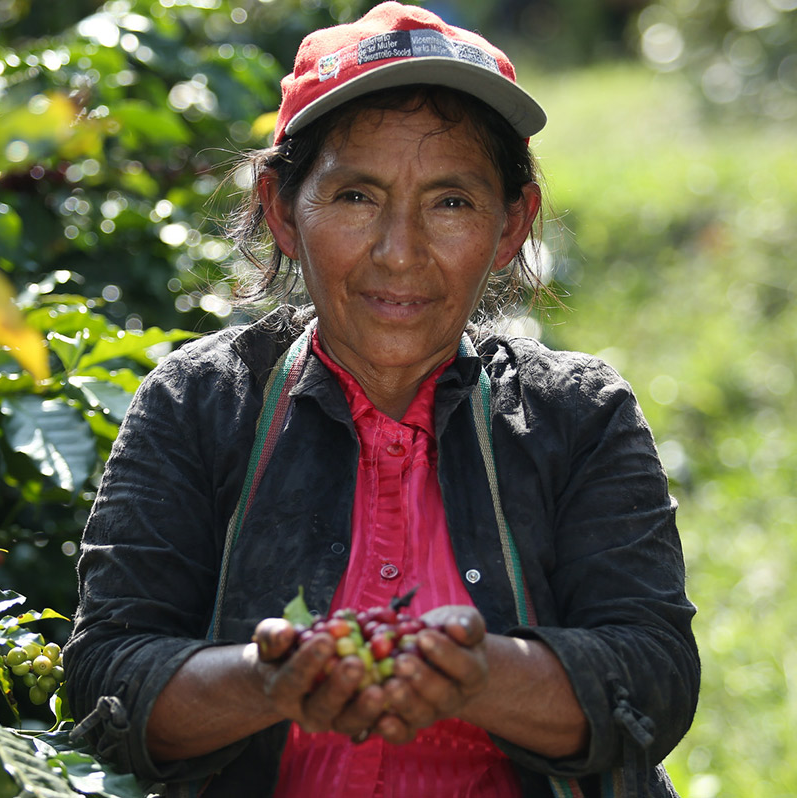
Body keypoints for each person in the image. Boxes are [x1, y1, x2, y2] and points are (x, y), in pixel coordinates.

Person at [63, 4, 699, 796]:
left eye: (451, 202)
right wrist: (266, 682)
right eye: (357, 196)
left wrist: (484, 674)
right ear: (282, 212)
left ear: (511, 226)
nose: (400, 253)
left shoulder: (579, 417)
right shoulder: (200, 404)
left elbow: (655, 676)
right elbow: (107, 673)